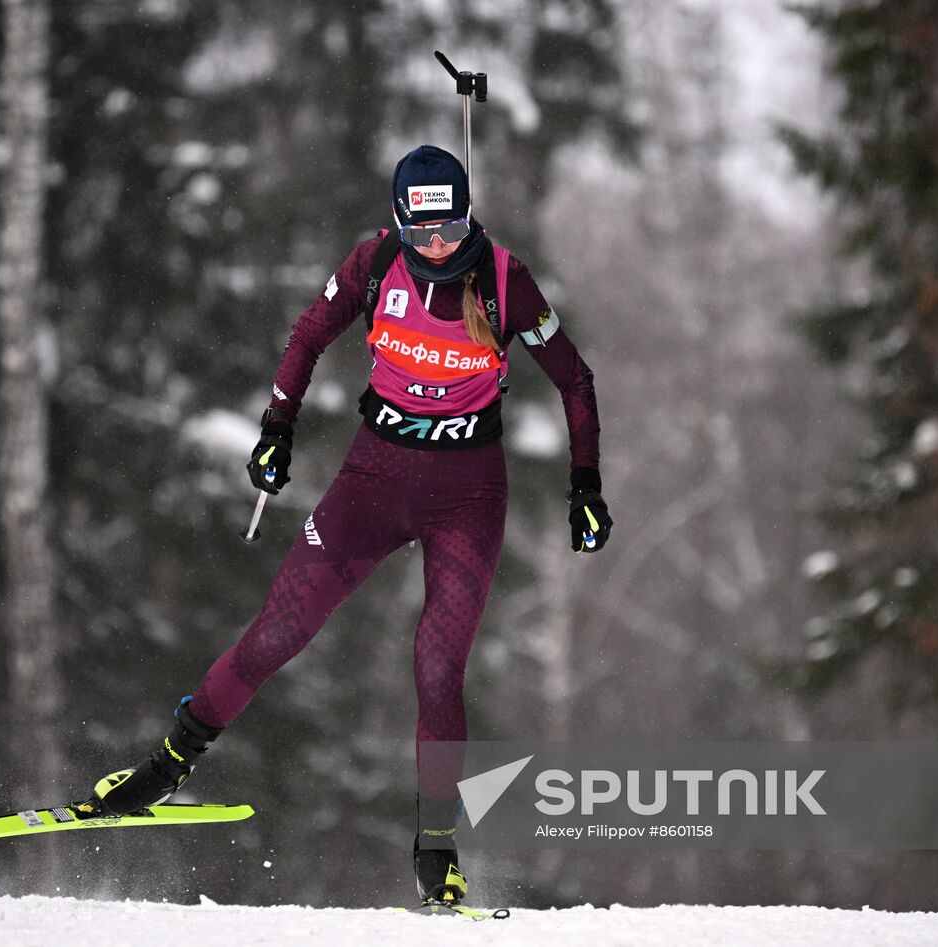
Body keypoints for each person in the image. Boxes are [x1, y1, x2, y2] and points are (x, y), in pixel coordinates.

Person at [84, 144, 612, 905]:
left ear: (469, 217)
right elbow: (307, 336)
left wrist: (584, 486)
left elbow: (576, 379)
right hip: (373, 481)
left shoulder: (502, 280)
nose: (437, 246)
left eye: (451, 228)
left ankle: (437, 849)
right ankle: (168, 765)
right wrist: (277, 428)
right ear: (399, 221)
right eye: (421, 231)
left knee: (437, 667)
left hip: (468, 495)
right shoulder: (372, 265)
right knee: (276, 633)